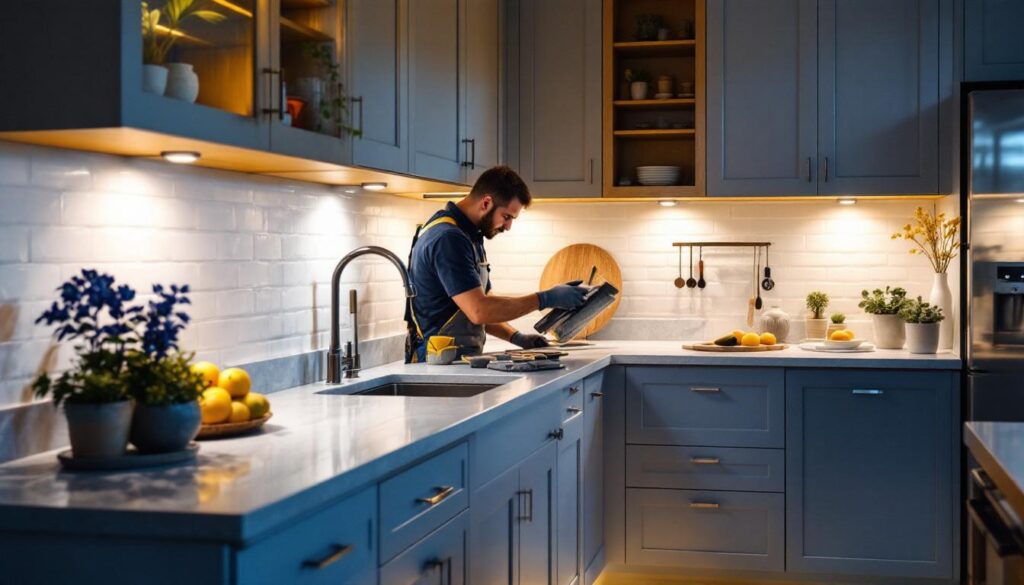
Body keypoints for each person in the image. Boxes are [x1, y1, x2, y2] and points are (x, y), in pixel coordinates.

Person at [404, 166, 587, 363]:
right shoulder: (449, 238)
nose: (508, 226)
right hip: (436, 365)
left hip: (453, 361)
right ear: (486, 203)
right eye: (507, 217)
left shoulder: (469, 236)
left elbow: (481, 306)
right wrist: (545, 298)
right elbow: (479, 310)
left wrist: (517, 338)